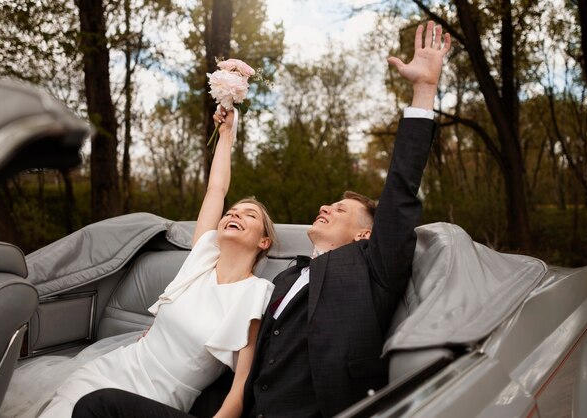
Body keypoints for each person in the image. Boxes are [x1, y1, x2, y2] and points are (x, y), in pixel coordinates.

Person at [73, 21, 451, 418]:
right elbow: (242, 359)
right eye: (329, 204)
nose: (325, 207)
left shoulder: (371, 269)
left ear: (364, 234)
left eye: (340, 209)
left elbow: (400, 191)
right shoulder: (284, 279)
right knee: (98, 405)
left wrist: (423, 91)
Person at [33, 106, 278, 418]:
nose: (234, 214)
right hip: (115, 368)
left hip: (158, 398)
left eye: (250, 215)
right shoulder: (201, 259)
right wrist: (227, 133)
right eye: (233, 211)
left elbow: (241, 384)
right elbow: (217, 189)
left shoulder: (255, 294)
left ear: (263, 241)